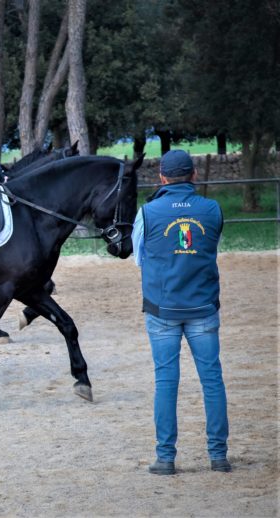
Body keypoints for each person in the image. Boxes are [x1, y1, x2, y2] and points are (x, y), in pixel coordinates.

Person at [132, 149, 231, 475]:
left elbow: (139, 257)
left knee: (166, 381)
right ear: (194, 175)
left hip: (162, 308)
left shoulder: (147, 212)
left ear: (161, 177)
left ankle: (166, 457)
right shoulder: (212, 209)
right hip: (203, 306)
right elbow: (211, 244)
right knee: (212, 380)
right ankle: (218, 456)